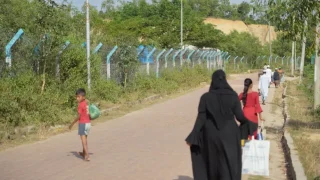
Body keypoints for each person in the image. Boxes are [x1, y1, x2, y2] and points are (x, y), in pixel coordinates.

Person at [185, 70, 257, 180]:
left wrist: (193, 136)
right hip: (230, 134)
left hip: (210, 135)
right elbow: (240, 117)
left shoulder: (205, 97)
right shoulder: (233, 96)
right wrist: (250, 125)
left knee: (212, 162)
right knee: (228, 162)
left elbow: (201, 118)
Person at [69, 88, 91, 161]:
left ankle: (87, 155)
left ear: (83, 97)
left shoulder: (80, 105)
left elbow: (79, 116)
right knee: (85, 140)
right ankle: (84, 153)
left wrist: (72, 124)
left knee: (83, 141)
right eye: (76, 97)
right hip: (88, 123)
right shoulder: (86, 102)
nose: (77, 98)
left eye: (78, 97)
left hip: (83, 124)